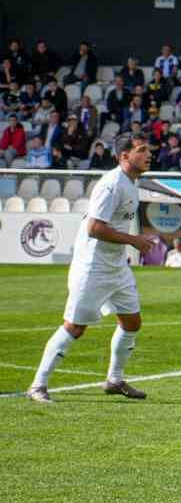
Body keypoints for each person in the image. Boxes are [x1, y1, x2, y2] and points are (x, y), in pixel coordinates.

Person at [26, 134, 156, 403]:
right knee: (75, 327)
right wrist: (133, 241)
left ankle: (114, 380)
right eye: (142, 151)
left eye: (148, 151)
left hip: (116, 265)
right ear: (124, 156)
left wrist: (126, 249)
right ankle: (38, 385)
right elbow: (94, 228)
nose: (148, 155)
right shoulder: (111, 185)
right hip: (93, 266)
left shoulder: (132, 183)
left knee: (132, 322)